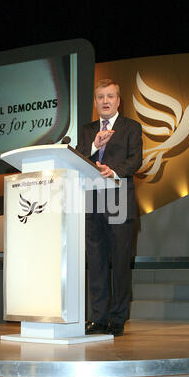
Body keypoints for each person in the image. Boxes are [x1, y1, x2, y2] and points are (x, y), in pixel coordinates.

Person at [76, 79, 142, 336]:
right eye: (101, 97)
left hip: (119, 199)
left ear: (118, 100)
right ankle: (98, 318)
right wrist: (94, 146)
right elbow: (78, 155)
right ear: (95, 102)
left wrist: (112, 171)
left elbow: (136, 159)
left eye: (110, 96)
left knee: (120, 263)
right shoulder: (87, 130)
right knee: (97, 263)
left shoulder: (131, 127)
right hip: (92, 202)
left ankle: (117, 319)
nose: (105, 101)